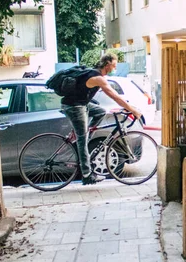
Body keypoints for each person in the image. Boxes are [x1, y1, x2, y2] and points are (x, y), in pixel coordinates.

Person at [61, 53, 142, 185]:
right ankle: (87, 175)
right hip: (74, 106)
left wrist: (129, 107)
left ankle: (88, 133)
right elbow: (115, 96)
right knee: (82, 140)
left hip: (80, 103)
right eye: (114, 64)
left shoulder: (96, 74)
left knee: (100, 111)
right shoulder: (98, 78)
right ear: (108, 63)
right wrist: (132, 110)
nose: (115, 67)